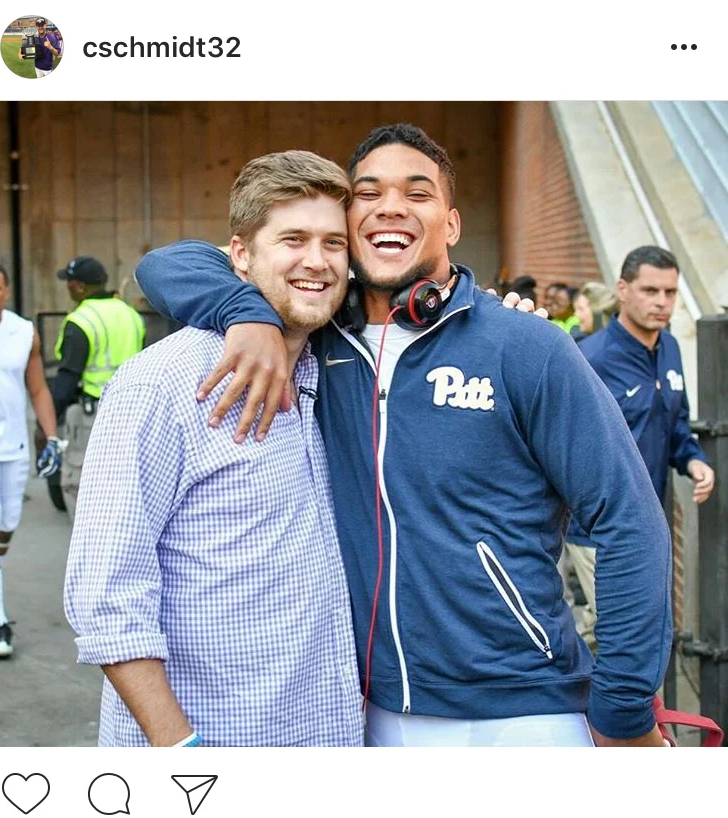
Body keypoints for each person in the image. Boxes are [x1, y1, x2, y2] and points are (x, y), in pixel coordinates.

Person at [136, 123, 673, 748]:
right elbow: (166, 263)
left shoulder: (525, 345)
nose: (391, 206)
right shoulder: (316, 337)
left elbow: (630, 520)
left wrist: (624, 710)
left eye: (417, 193)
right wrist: (245, 312)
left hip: (521, 711)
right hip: (363, 710)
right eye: (369, 193)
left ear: (451, 224)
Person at [64, 151, 364, 747]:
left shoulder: (334, 368)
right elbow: (106, 595)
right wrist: (180, 750)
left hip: (325, 735)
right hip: (214, 742)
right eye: (293, 239)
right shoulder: (164, 384)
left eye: (334, 243)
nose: (317, 260)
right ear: (240, 256)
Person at [564, 246, 715, 642]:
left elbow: (675, 422)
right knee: (615, 637)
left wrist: (693, 460)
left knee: (632, 636)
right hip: (597, 531)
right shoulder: (589, 358)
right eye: (650, 290)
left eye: (670, 292)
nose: (662, 302)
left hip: (649, 524)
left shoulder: (670, 349)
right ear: (623, 290)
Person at [0, 262, 60, 658]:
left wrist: (52, 436)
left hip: (14, 444)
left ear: (6, 293)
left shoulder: (23, 332)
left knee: (6, 527)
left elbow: (38, 389)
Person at [51, 256, 146, 519]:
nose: (68, 288)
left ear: (79, 286)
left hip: (92, 414)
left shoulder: (81, 320)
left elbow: (67, 378)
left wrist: (47, 421)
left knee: (79, 483)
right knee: (124, 480)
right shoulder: (131, 314)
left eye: (69, 282)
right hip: (132, 410)